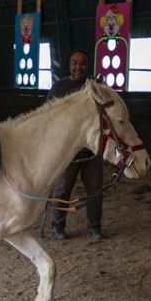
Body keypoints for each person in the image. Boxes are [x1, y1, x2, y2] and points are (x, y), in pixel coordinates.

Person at [47, 50, 104, 241]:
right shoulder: (59, 88)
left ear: (88, 65)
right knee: (63, 189)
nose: (78, 67)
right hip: (67, 152)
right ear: (69, 64)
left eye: (82, 63)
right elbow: (49, 116)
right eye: (74, 63)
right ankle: (57, 226)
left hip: (91, 150)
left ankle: (95, 227)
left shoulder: (95, 86)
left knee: (95, 189)